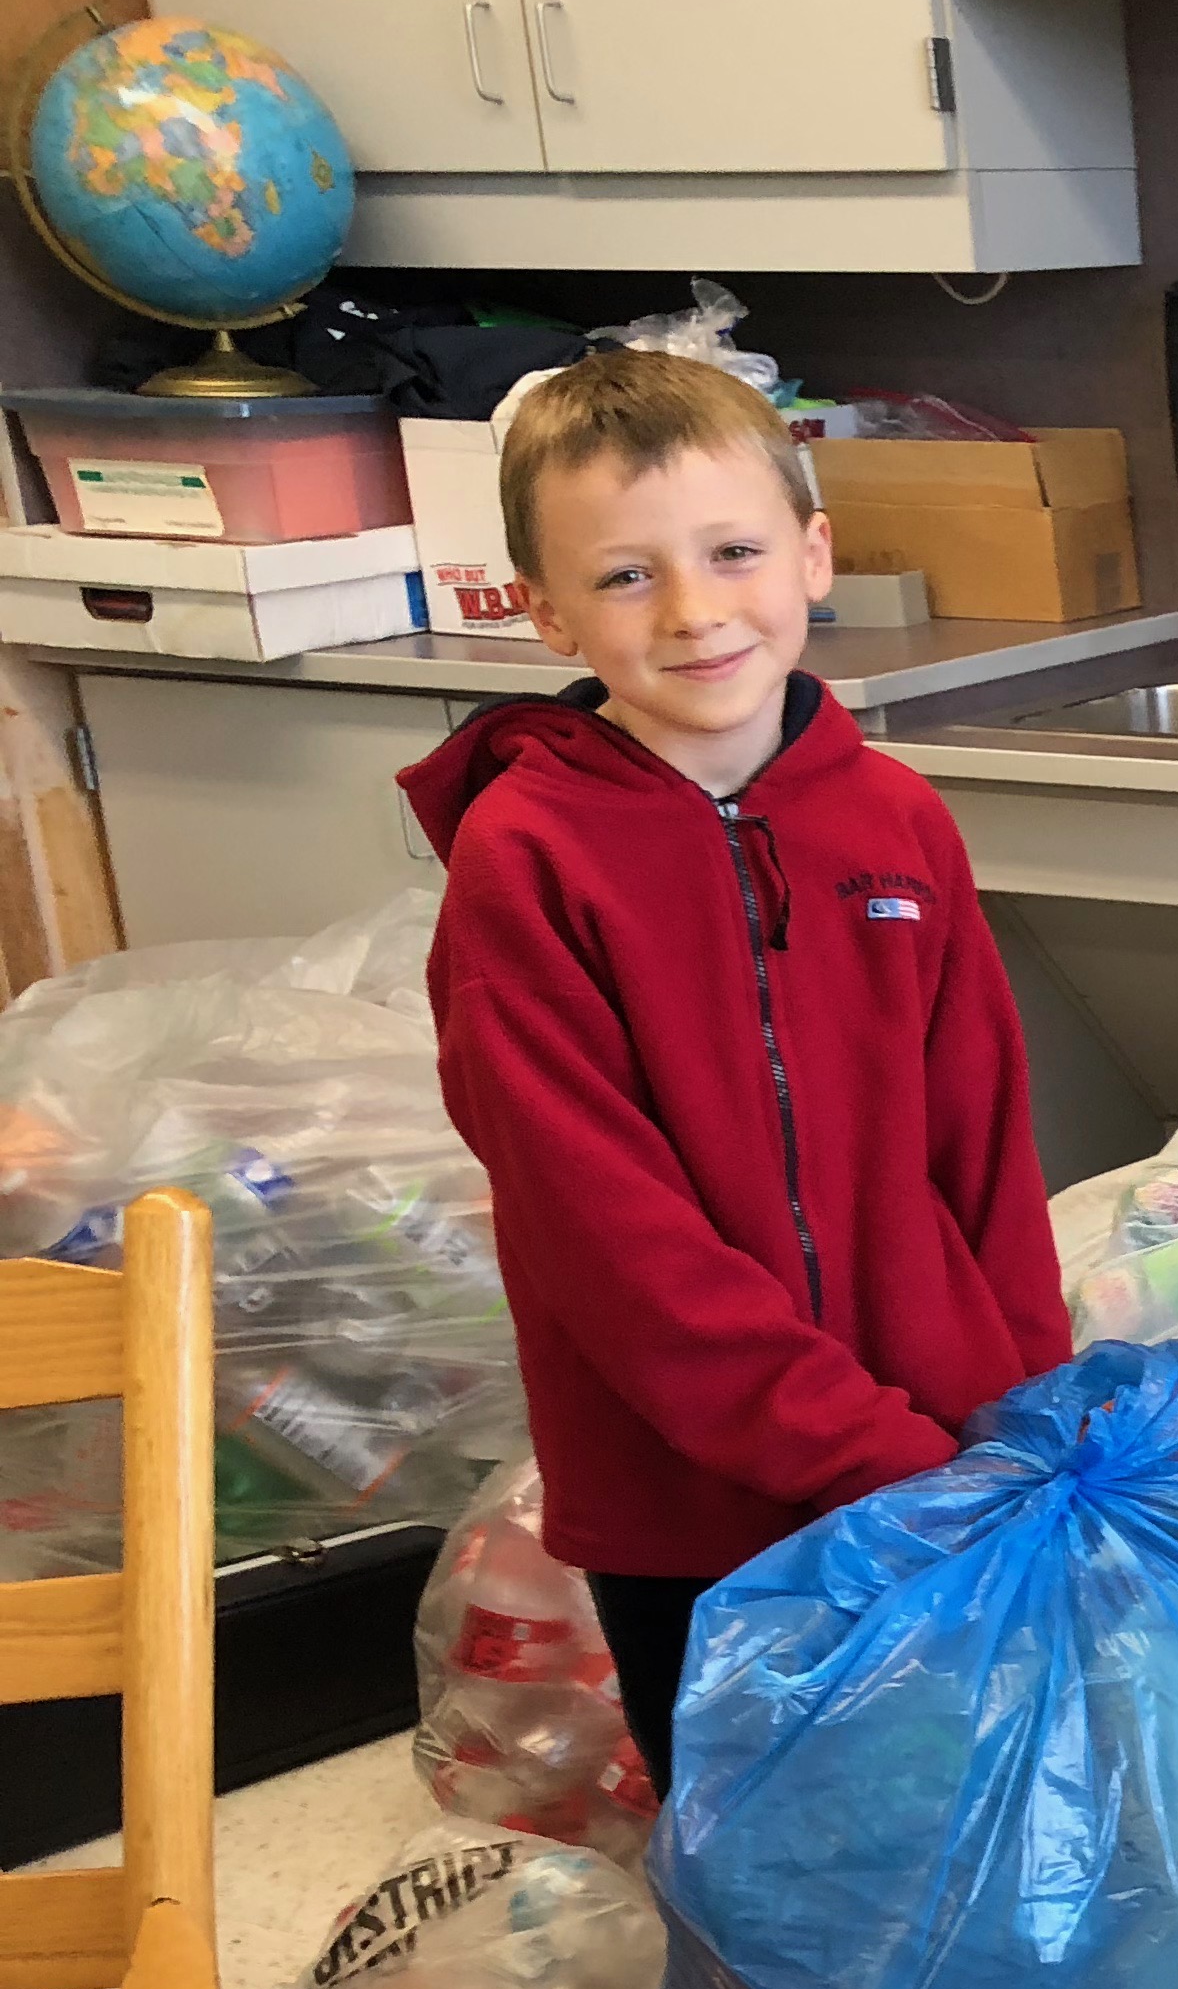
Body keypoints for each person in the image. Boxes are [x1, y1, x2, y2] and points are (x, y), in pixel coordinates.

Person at [398, 347, 1070, 1795]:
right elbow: (610, 1246)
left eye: (734, 552)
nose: (696, 611)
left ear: (815, 554)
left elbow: (987, 1155)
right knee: (767, 1874)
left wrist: (1021, 1424)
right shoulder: (528, 863)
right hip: (689, 1513)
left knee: (945, 1836)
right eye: (628, 577)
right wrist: (876, 1455)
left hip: (941, 1470)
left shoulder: (898, 823)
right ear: (544, 611)